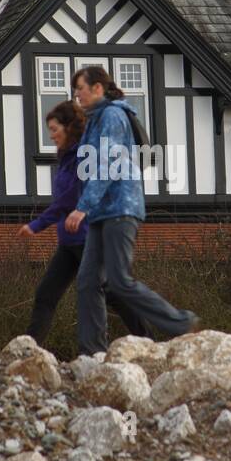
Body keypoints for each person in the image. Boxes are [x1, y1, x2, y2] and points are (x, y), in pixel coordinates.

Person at [65, 65, 198, 355]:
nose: (78, 97)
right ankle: (92, 352)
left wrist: (81, 208)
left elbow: (108, 164)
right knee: (88, 282)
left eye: (81, 91)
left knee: (119, 281)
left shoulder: (112, 115)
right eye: (75, 93)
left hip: (120, 208)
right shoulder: (95, 120)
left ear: (98, 88)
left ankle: (180, 322)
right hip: (103, 212)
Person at [19, 100, 150, 346]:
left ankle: (147, 340)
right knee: (46, 294)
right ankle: (29, 348)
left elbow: (68, 200)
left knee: (111, 293)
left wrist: (36, 225)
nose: (51, 135)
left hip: (87, 238)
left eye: (55, 129)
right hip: (69, 241)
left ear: (69, 128)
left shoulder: (83, 157)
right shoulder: (67, 158)